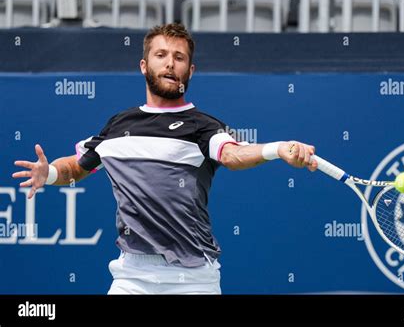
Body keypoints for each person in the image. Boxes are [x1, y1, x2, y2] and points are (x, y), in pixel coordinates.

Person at [12, 23, 318, 295]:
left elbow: (234, 155)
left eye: (179, 57)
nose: (170, 63)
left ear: (190, 71)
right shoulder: (118, 127)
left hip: (194, 278)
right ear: (144, 66)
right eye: (161, 55)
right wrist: (49, 173)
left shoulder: (203, 126)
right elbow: (78, 166)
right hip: (132, 277)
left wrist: (276, 148)